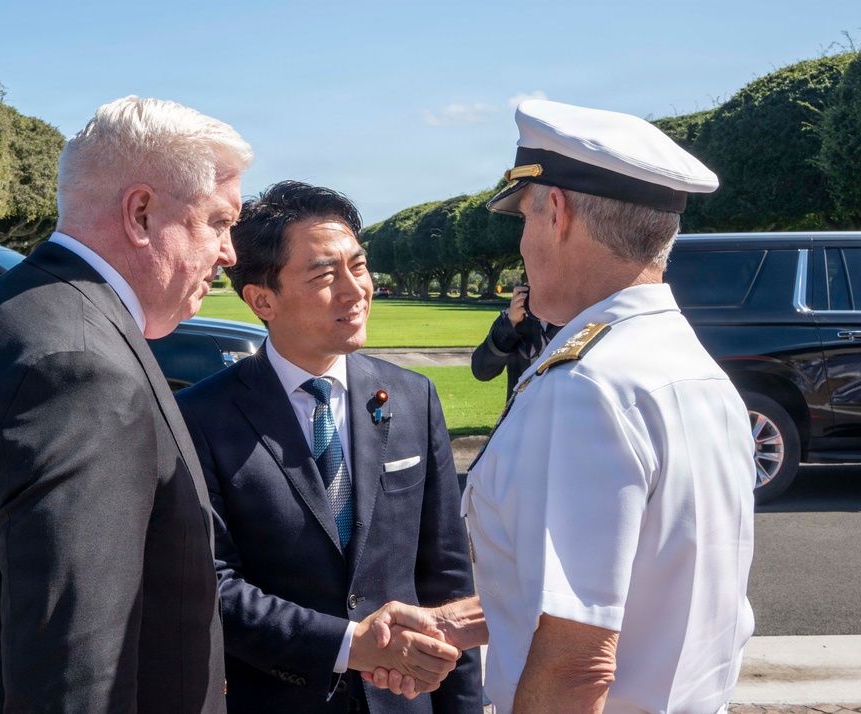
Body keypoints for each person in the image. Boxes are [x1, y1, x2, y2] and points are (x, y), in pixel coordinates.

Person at [0, 96, 252, 712]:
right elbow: (77, 678)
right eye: (219, 222)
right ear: (142, 213)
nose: (229, 253)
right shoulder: (85, 368)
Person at [366, 99, 756, 714]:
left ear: (558, 212)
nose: (520, 243)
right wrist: (455, 623)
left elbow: (579, 664)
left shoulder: (585, 386)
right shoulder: (689, 368)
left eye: (523, 218)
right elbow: (626, 588)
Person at [174, 180, 482, 713]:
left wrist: (463, 706)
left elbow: (446, 576)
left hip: (404, 700)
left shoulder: (413, 397)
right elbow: (213, 587)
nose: (354, 289)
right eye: (324, 274)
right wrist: (348, 646)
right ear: (261, 298)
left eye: (358, 267)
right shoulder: (201, 417)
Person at [470, 284, 560, 400]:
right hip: (523, 413)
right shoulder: (516, 318)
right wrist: (510, 324)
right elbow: (482, 371)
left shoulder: (578, 316)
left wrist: (552, 319)